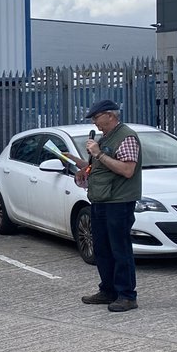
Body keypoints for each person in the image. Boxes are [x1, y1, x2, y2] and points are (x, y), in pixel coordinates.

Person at [72, 99, 142, 313]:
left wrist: (98, 154)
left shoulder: (126, 137)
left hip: (118, 202)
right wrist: (83, 167)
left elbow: (127, 170)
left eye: (96, 117)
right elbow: (101, 168)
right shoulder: (104, 138)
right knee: (102, 249)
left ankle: (127, 295)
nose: (94, 123)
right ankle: (108, 290)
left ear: (111, 115)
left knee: (119, 249)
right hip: (100, 200)